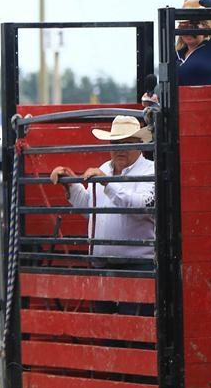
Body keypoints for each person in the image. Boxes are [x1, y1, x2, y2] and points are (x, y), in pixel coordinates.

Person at [50, 116, 155, 315]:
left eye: (127, 143)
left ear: (139, 145)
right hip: (103, 265)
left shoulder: (150, 171)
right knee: (108, 330)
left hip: (137, 266)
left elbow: (142, 206)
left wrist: (107, 183)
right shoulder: (104, 169)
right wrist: (70, 184)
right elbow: (91, 208)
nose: (120, 149)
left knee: (132, 328)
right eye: (116, 143)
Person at [175, 0, 211, 86]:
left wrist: (200, 0)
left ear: (205, 26)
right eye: (184, 25)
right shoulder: (176, 55)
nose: (188, 30)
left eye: (194, 25)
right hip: (185, 99)